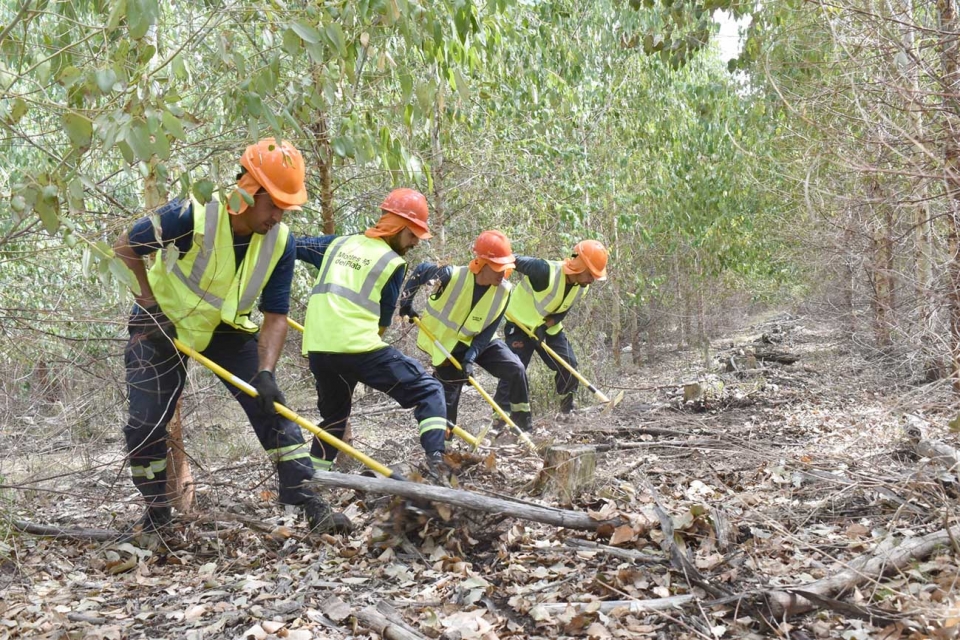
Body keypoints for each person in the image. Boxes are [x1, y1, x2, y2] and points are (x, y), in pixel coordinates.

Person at [114, 138, 349, 537]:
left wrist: (266, 372)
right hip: (160, 324)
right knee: (144, 423)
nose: (278, 215)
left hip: (227, 328)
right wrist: (150, 307)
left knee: (272, 408)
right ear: (248, 190)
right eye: (273, 204)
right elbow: (126, 248)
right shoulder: (191, 213)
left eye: (285, 207)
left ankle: (308, 500)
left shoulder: (281, 242)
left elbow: (276, 316)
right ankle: (156, 514)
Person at [296, 188, 450, 478]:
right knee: (429, 390)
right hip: (358, 349)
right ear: (398, 227)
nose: (416, 242)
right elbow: (382, 323)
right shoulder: (391, 262)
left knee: (334, 419)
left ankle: (311, 483)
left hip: (319, 350)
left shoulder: (336, 244)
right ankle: (438, 465)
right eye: (413, 234)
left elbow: (293, 245)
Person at [399, 230, 532, 432]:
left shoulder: (504, 290)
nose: (502, 274)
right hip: (447, 344)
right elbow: (421, 270)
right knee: (450, 395)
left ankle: (521, 427)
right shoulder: (451, 275)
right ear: (482, 263)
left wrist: (470, 357)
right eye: (498, 268)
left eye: (505, 268)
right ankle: (444, 442)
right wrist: (406, 303)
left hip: (480, 341)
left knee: (515, 369)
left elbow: (489, 330)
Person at [493, 240, 609, 419]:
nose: (592, 279)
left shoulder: (581, 287)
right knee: (515, 370)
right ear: (579, 265)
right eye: (590, 273)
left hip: (547, 327)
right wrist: (497, 273)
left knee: (569, 365)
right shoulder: (544, 271)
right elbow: (510, 258)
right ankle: (501, 419)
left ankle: (566, 409)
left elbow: (562, 311)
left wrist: (545, 326)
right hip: (519, 325)